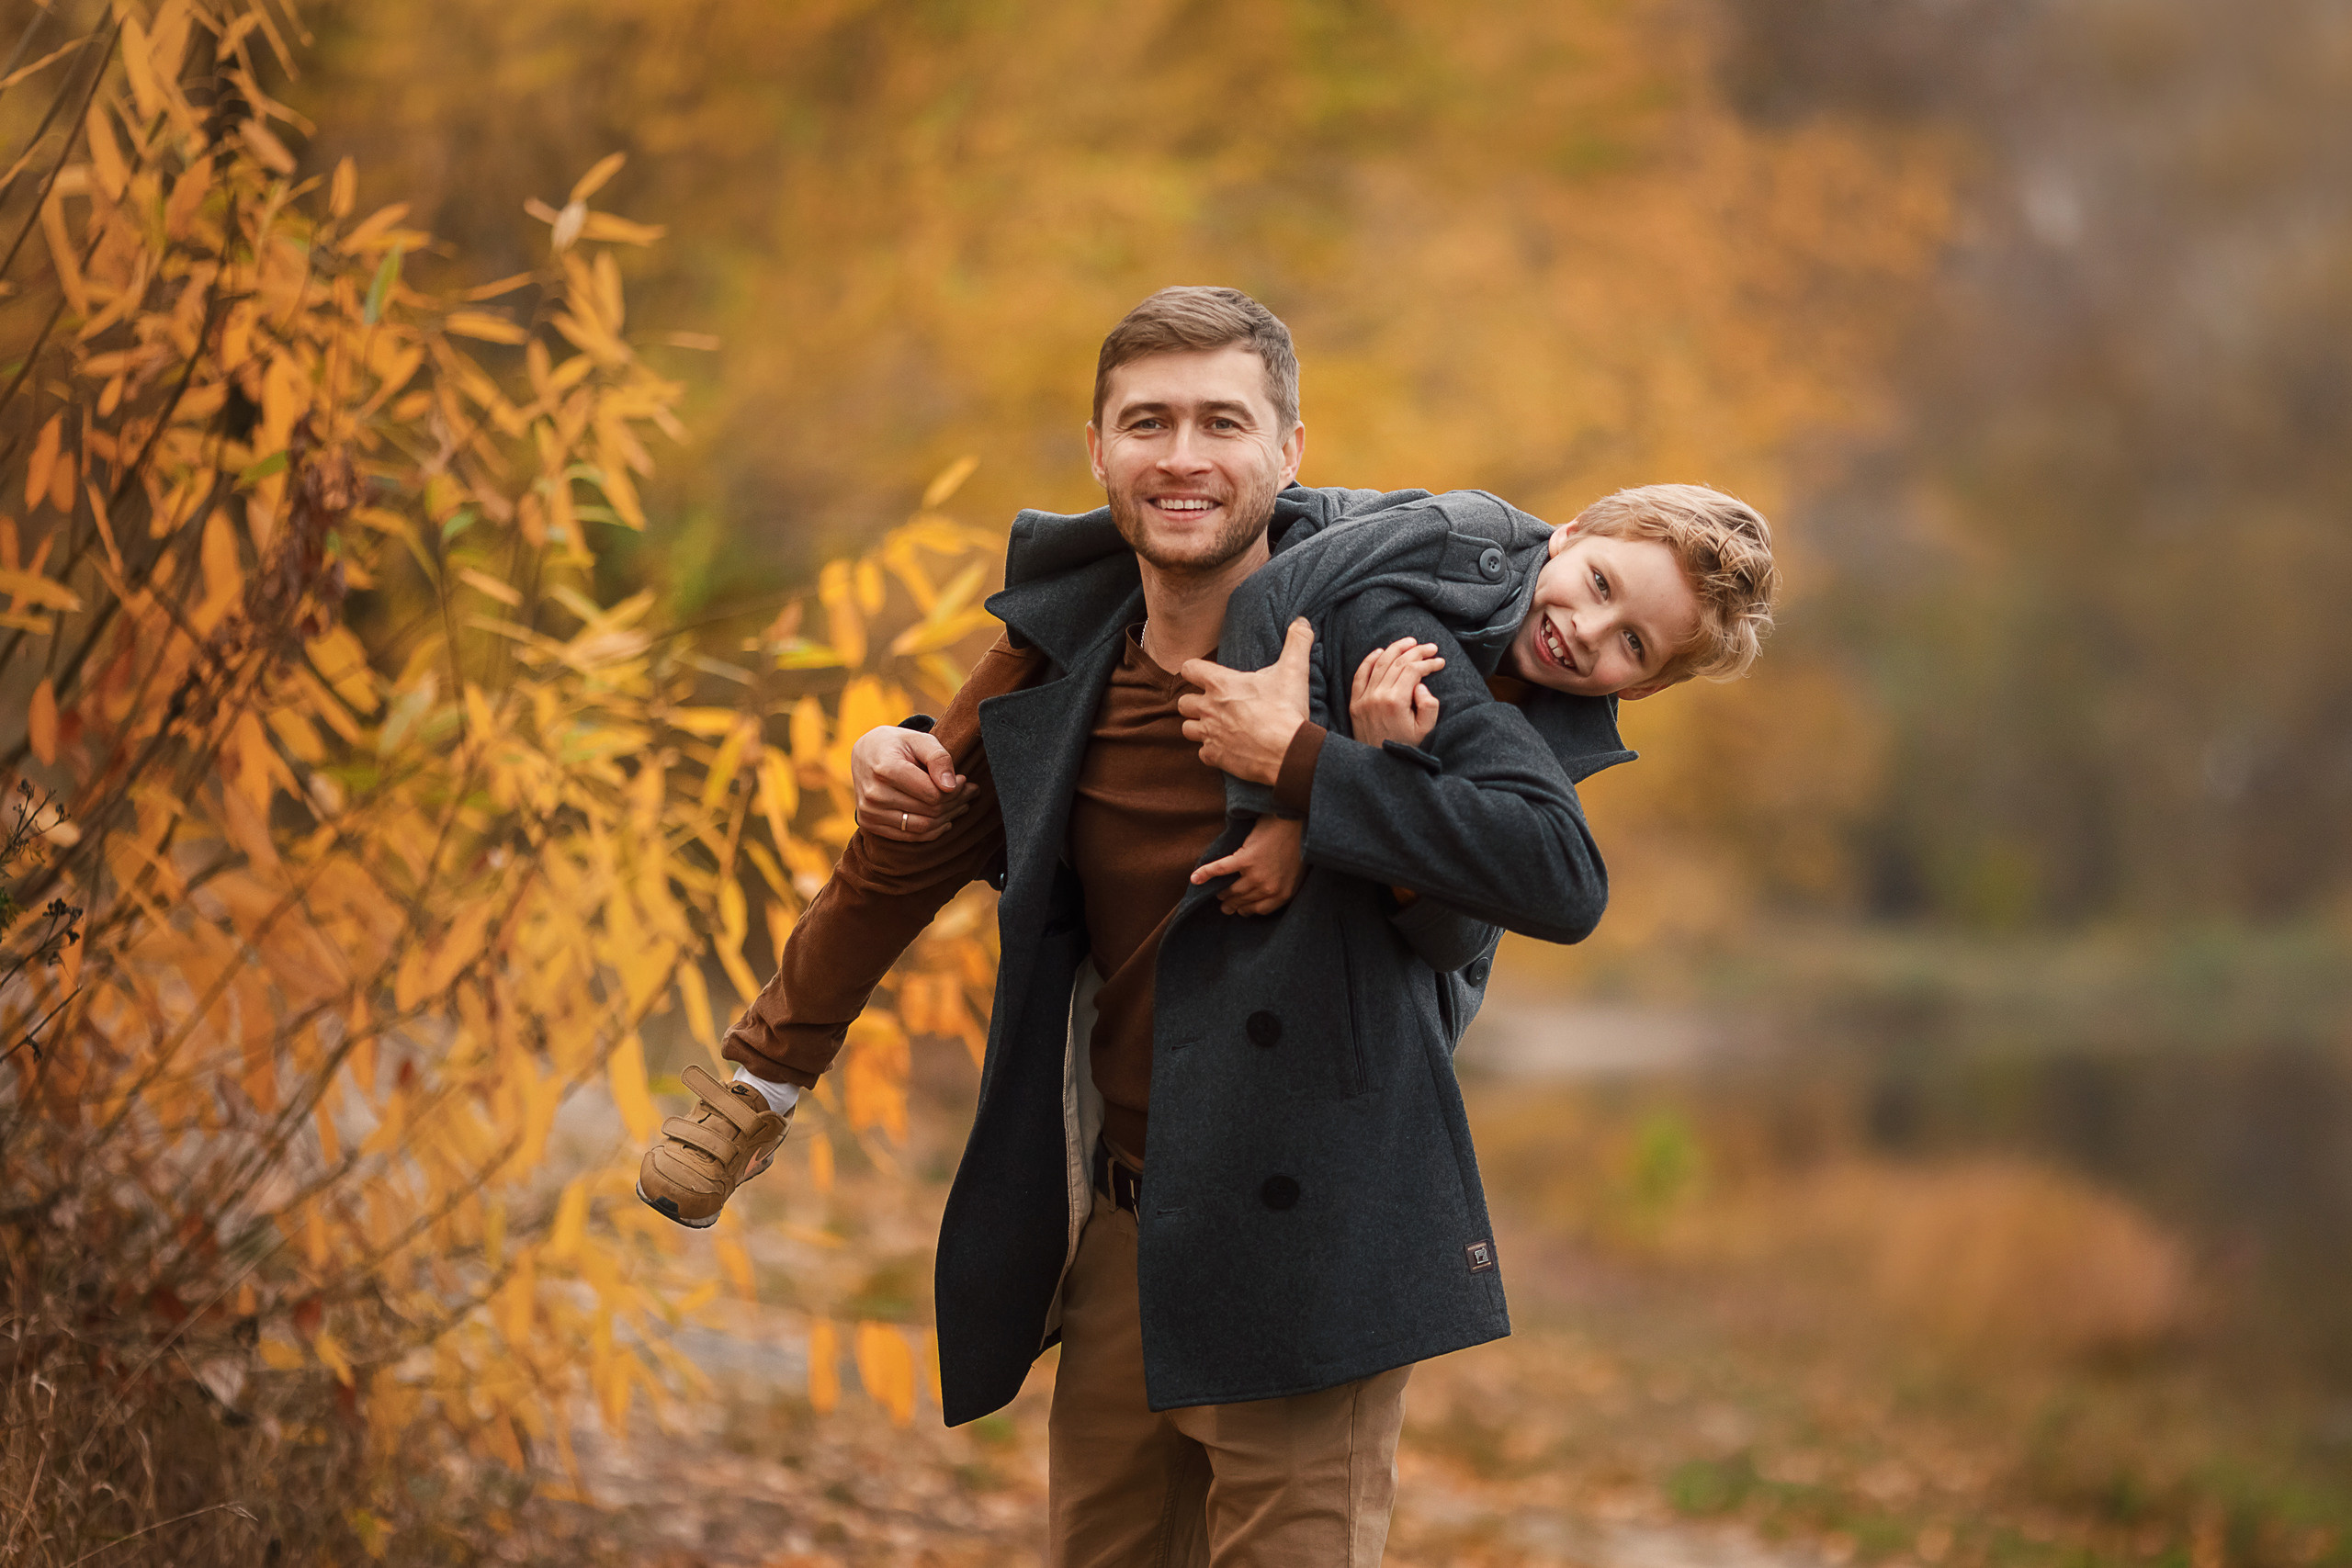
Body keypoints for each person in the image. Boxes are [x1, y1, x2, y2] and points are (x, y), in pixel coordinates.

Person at [639, 286, 1617, 1566]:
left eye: (1224, 422)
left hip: (1311, 1248)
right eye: (1147, 422)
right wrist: (766, 1076)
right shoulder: (1062, 653)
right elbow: (900, 860)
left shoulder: (1387, 635)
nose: (1185, 457)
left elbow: (1557, 873)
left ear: (1290, 453)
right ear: (1098, 449)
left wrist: (1318, 773)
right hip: (1121, 1238)